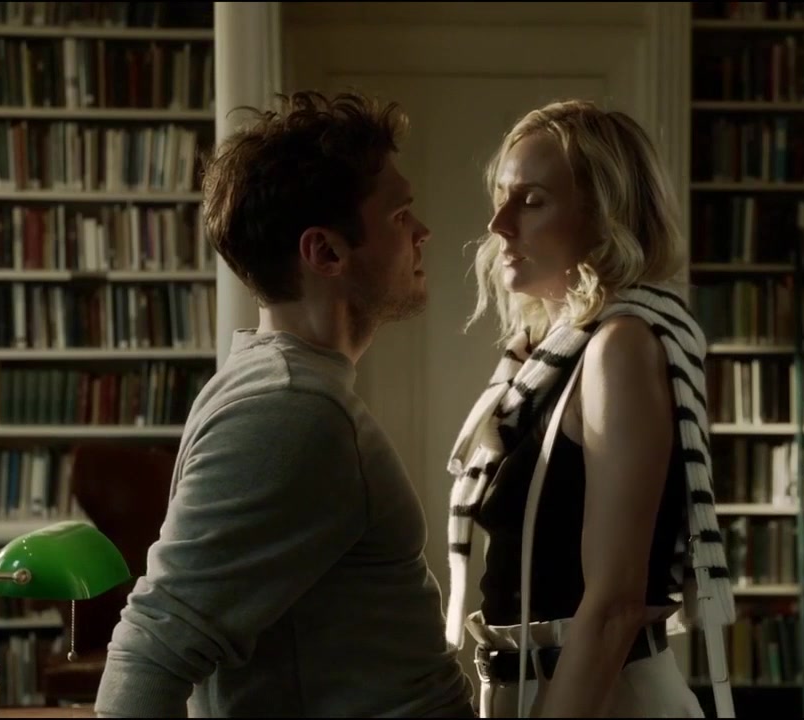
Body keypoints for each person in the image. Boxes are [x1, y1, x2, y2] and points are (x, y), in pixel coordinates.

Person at [93, 90, 475, 718]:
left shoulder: (281, 386)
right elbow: (154, 646)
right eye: (400, 214)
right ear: (325, 251)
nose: (423, 232)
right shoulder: (292, 407)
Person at [443, 100, 738, 718]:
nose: (498, 224)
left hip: (599, 698)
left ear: (606, 216)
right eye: (500, 197)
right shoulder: (540, 360)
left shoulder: (619, 347)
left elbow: (614, 606)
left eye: (531, 201)